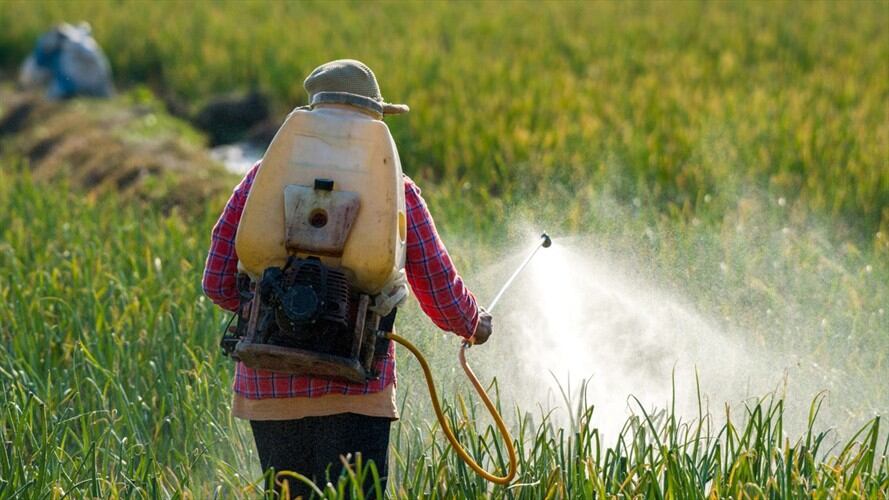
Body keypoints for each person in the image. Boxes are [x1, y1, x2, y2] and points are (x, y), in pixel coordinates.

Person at [202, 59, 492, 498]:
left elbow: (216, 282)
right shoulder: (396, 191)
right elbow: (438, 284)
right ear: (374, 119)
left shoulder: (261, 181)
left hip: (268, 389)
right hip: (356, 387)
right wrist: (473, 324)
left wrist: (275, 304)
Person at [18, 22, 114, 99]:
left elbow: (36, 67)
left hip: (77, 87)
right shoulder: (84, 44)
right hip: (95, 88)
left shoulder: (68, 47)